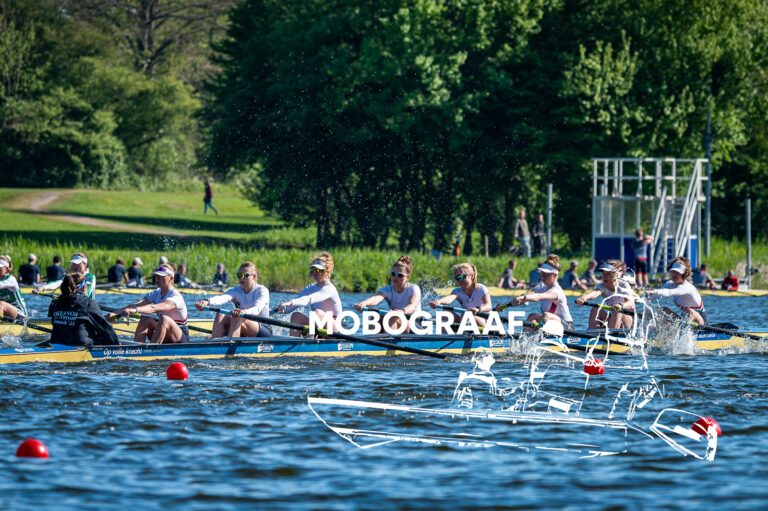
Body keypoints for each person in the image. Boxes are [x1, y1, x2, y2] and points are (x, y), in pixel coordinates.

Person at [107, 264, 190, 343]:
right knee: (145, 319)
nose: (157, 279)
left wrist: (136, 310)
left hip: (180, 338)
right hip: (164, 335)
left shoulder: (176, 297)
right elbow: (135, 305)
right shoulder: (156, 293)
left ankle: (152, 350)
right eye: (156, 276)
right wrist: (114, 314)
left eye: (161, 276)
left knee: (165, 319)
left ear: (171, 278)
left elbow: (153, 308)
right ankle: (137, 349)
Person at [196, 262, 272, 338]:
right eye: (239, 275)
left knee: (238, 317)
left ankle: (231, 343)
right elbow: (223, 298)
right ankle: (215, 342)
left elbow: (256, 309)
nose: (241, 278)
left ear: (254, 276)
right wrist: (207, 301)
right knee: (220, 315)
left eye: (244, 275)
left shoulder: (262, 290)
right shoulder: (236, 291)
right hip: (242, 322)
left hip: (263, 329)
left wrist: (244, 312)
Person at [276, 252, 342, 337]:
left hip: (336, 330)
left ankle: (309, 340)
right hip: (319, 328)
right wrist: (274, 310)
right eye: (314, 269)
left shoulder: (329, 289)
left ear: (327, 271)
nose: (315, 272)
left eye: (319, 270)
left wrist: (290, 302)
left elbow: (309, 299)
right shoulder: (310, 288)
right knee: (296, 316)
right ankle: (295, 342)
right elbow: (290, 307)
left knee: (317, 313)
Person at [354, 256, 422, 333]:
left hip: (416, 325)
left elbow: (413, 306)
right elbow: (376, 298)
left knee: (392, 317)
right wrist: (363, 303)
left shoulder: (414, 288)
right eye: (393, 274)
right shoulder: (387, 290)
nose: (395, 277)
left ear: (408, 277)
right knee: (376, 315)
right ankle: (374, 338)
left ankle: (388, 338)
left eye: (400, 275)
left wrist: (402, 311)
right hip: (398, 320)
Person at [48, 273, 118, 346]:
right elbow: (105, 326)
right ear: (84, 288)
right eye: (87, 286)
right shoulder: (88, 302)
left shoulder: (56, 302)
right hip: (79, 344)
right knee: (101, 333)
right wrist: (117, 344)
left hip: (56, 341)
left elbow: (53, 322)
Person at [512, 254, 574, 332]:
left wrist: (524, 297)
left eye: (546, 274)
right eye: (542, 273)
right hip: (551, 325)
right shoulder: (542, 286)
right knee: (532, 316)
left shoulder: (557, 291)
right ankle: (525, 338)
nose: (543, 276)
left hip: (567, 328)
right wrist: (503, 306)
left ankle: (540, 333)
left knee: (546, 315)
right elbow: (528, 296)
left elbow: (538, 297)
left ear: (555, 275)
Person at [645, 257, 708, 326]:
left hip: (702, 324)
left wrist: (654, 291)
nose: (674, 274)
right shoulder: (669, 284)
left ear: (684, 274)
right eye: (673, 271)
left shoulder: (687, 287)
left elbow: (668, 292)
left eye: (677, 272)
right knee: (663, 310)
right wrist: (642, 298)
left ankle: (685, 330)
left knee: (689, 311)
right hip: (686, 320)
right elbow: (656, 295)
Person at [429, 262, 492, 328]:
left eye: (462, 277)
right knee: (445, 313)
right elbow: (449, 298)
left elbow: (488, 306)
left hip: (484, 321)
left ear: (472, 276)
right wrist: (438, 302)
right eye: (457, 278)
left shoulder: (481, 288)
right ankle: (448, 334)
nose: (460, 280)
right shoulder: (458, 291)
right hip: (465, 320)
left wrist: (478, 309)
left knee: (467, 315)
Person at [575, 260, 634, 329]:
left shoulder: (624, 285)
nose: (605, 277)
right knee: (595, 309)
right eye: (604, 274)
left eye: (608, 274)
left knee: (616, 311)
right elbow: (595, 293)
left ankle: (612, 333)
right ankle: (593, 332)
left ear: (616, 274)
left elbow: (630, 303)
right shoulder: (603, 286)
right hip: (613, 317)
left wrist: (620, 306)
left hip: (626, 319)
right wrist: (584, 297)